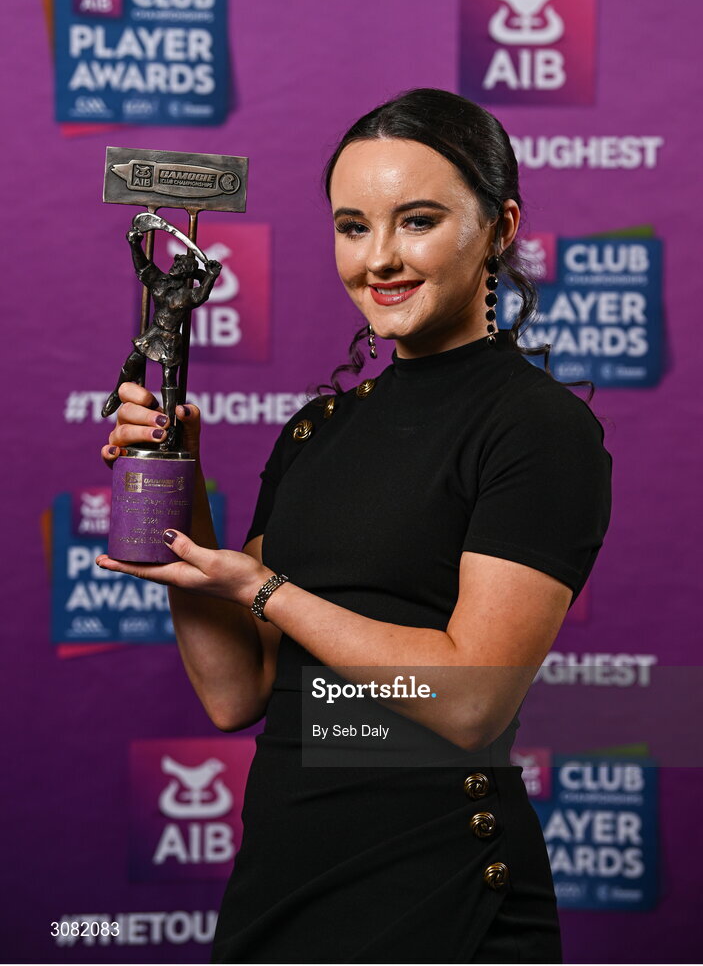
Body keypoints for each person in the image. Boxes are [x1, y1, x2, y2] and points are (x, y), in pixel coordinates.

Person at [97, 88, 612, 964]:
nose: (379, 259)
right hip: (285, 876)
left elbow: (468, 698)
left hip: (440, 884)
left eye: (415, 221)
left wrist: (261, 586)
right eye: (351, 226)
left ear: (499, 226)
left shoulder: (536, 427)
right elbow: (236, 693)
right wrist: (175, 484)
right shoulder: (315, 431)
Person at [101, 229, 222, 448]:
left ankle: (169, 425)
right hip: (154, 332)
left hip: (171, 339)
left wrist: (210, 276)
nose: (175, 267)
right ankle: (116, 394)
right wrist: (135, 244)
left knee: (169, 380)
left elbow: (201, 294)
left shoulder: (186, 295)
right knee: (132, 362)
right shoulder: (159, 282)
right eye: (176, 264)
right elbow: (143, 268)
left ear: (187, 274)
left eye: (181, 267)